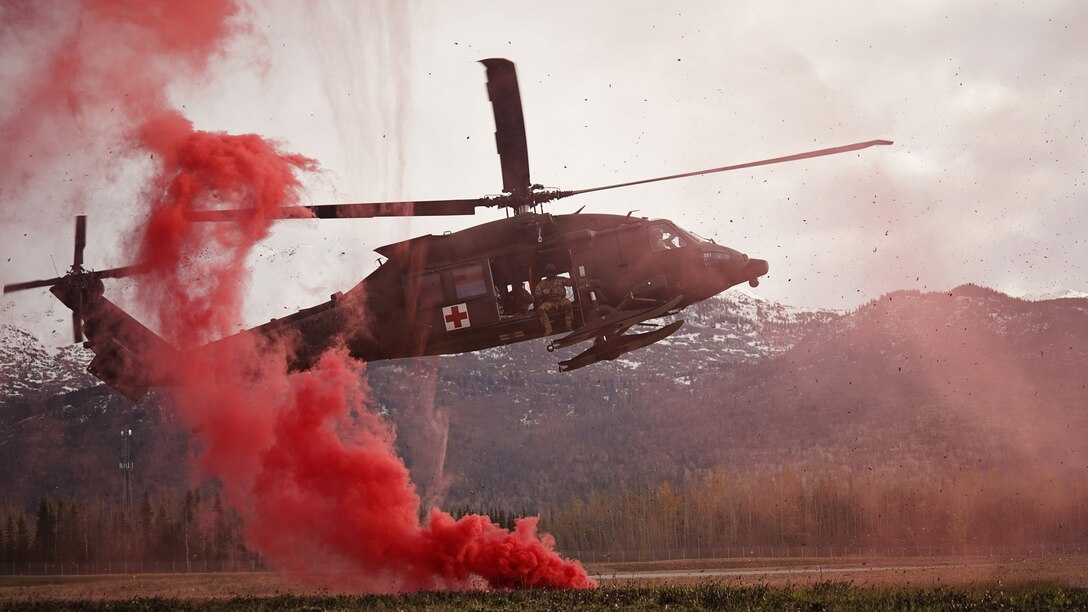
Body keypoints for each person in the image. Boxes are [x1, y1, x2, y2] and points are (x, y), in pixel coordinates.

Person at [534, 264, 573, 336]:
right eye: (549, 272)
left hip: (560, 300)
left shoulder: (560, 279)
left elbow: (571, 282)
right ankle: (548, 328)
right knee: (541, 309)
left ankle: (568, 325)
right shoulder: (542, 284)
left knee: (568, 304)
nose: (551, 273)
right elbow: (536, 294)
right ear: (546, 273)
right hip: (549, 302)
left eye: (552, 272)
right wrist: (543, 292)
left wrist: (574, 274)